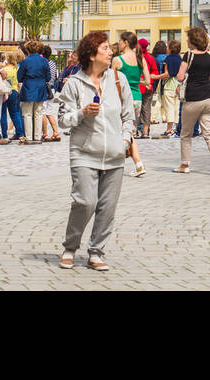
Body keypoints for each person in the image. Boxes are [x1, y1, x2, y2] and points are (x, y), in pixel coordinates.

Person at [57, 31, 134, 272]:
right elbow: (62, 120)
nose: (111, 52)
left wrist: (123, 141)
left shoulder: (118, 80)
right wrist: (82, 113)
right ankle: (70, 247)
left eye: (110, 48)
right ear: (91, 55)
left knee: (107, 207)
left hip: (114, 154)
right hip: (84, 153)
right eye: (105, 49)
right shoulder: (75, 84)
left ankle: (96, 251)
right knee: (85, 202)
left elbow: (128, 117)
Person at [172, 27, 210, 176]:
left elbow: (180, 77)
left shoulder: (188, 55)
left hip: (193, 99)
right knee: (209, 133)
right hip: (209, 99)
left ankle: (184, 164)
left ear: (193, 41)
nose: (187, 40)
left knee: (186, 134)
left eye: (188, 38)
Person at [115, 32, 146, 177]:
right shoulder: (140, 58)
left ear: (126, 42)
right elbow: (147, 80)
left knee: (123, 131)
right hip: (137, 97)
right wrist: (134, 81)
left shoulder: (118, 60)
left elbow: (110, 79)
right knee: (130, 130)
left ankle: (138, 163)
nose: (118, 43)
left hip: (122, 98)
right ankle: (137, 163)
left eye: (120, 41)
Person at [18, 41, 52, 144]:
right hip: (41, 88)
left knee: (27, 113)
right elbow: (48, 77)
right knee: (39, 112)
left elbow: (19, 77)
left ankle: (28, 137)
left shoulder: (26, 61)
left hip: (28, 87)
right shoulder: (44, 61)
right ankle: (37, 136)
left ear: (28, 49)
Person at [0, 48, 26, 141]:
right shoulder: (17, 69)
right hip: (14, 91)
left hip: (4, 92)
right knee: (15, 114)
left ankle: (4, 135)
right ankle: (20, 134)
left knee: (3, 114)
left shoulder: (4, 69)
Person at [160, 40, 183, 138]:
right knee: (176, 107)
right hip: (178, 84)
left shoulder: (167, 59)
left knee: (169, 107)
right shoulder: (180, 59)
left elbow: (167, 74)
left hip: (169, 85)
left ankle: (169, 129)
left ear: (170, 49)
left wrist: (155, 76)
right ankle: (177, 128)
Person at [136, 37, 158, 138]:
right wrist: (150, 82)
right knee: (146, 109)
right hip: (148, 87)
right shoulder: (150, 58)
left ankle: (135, 130)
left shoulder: (136, 57)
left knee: (136, 109)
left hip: (137, 86)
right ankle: (145, 131)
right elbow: (155, 72)